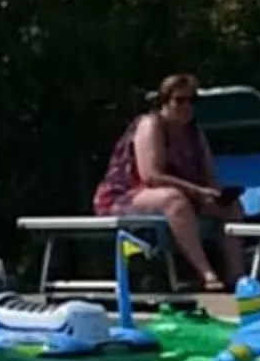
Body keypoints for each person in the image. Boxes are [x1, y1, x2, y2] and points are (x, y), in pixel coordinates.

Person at [92, 72, 240, 293]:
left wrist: (217, 194)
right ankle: (206, 273)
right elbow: (151, 176)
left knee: (230, 206)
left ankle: (238, 277)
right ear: (164, 102)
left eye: (192, 101)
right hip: (127, 195)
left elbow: (210, 176)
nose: (186, 106)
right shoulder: (151, 125)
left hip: (183, 195)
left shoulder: (195, 133)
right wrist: (198, 191)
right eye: (179, 100)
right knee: (174, 199)